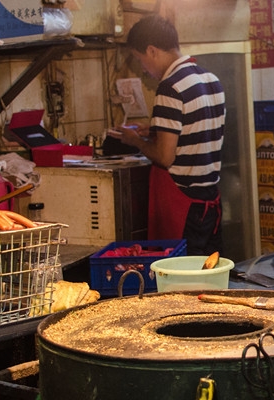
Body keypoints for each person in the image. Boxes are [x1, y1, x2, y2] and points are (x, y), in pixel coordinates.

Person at [107, 15, 224, 256]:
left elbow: (164, 157)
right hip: (210, 201)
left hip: (184, 206)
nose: (144, 69)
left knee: (181, 283)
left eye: (141, 60)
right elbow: (196, 129)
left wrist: (135, 140)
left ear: (152, 50)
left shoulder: (170, 86)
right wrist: (154, 130)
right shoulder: (211, 80)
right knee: (208, 275)